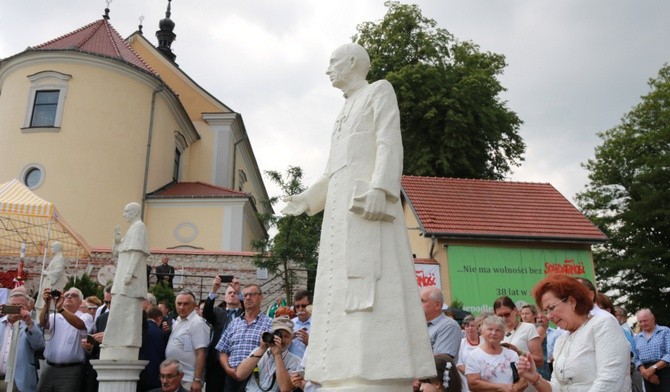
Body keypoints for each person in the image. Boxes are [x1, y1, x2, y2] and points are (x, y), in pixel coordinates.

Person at [280, 43, 435, 388]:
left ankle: (373, 370)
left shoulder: (378, 91)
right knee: (338, 292)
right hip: (337, 219)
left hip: (366, 209)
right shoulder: (343, 111)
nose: (328, 69)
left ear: (352, 62)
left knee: (370, 291)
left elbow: (388, 141)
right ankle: (341, 368)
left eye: (333, 62)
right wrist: (307, 199)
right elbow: (334, 170)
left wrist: (382, 187)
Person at [516, 274, 631, 391]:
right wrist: (535, 378)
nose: (549, 316)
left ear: (572, 301)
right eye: (546, 311)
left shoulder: (603, 324)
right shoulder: (561, 340)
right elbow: (558, 388)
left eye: (551, 308)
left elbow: (609, 380)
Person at [216, 284, 272, 392]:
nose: (248, 298)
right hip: (231, 379)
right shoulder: (234, 323)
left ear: (261, 297)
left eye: (252, 294)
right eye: (245, 295)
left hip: (256, 378)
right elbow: (222, 350)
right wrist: (228, 369)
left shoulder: (269, 324)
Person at [37, 287, 94, 392]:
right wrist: (47, 303)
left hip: (70, 370)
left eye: (74, 295)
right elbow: (43, 324)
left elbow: (80, 325)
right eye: (67, 295)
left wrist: (60, 309)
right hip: (49, 367)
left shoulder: (86, 316)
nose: (69, 297)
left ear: (81, 302)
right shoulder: (55, 316)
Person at [227, 316, 302, 392]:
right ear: (271, 335)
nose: (281, 339)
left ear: (291, 339)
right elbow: (240, 375)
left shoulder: (296, 361)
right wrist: (262, 349)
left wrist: (277, 355)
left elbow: (285, 389)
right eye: (278, 334)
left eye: (286, 336)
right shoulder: (258, 351)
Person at [465, 315, 528, 391]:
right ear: (482, 332)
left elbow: (524, 380)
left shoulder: (512, 354)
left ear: (503, 335)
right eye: (490, 329)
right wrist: (501, 388)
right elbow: (473, 384)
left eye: (498, 330)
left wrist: (514, 389)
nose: (494, 333)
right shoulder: (474, 356)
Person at [0, 289, 44, 392]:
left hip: (18, 381)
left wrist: (28, 322)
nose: (15, 308)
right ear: (6, 306)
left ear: (27, 307)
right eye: (12, 305)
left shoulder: (33, 325)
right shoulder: (0, 323)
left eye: (19, 306)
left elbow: (39, 346)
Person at [202, 278, 242, 392]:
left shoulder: (244, 314)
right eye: (230, 292)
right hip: (216, 363)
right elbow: (206, 313)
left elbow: (247, 306)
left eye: (235, 293)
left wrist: (239, 292)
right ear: (225, 297)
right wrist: (214, 289)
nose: (233, 294)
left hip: (236, 363)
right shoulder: (217, 312)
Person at [165, 290, 209, 392]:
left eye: (186, 304)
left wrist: (197, 380)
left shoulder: (197, 323)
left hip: (189, 378)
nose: (181, 307)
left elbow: (201, 353)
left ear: (194, 306)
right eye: (179, 304)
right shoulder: (178, 321)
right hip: (176, 378)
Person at [493, 296, 543, 369]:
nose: (504, 318)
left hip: (525, 376)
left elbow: (539, 361)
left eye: (507, 314)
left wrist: (519, 353)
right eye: (500, 316)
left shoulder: (528, 328)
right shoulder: (494, 332)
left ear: (515, 310)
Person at [421, 286, 462, 360]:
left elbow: (440, 361)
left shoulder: (449, 326)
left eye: (422, 301)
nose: (418, 304)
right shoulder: (419, 326)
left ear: (437, 305)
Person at [634, 308, 670, 391]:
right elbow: (636, 359)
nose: (643, 324)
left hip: (664, 370)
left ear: (653, 319)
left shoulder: (665, 331)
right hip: (646, 374)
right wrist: (645, 373)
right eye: (640, 321)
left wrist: (653, 368)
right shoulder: (638, 337)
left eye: (645, 320)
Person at [139, 306, 168, 392]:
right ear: (159, 318)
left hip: (140, 373)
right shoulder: (160, 333)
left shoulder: (140, 329)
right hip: (155, 376)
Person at [36, 241, 68, 311]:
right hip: (48, 282)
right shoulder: (56, 258)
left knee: (50, 305)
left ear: (57, 248)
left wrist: (46, 273)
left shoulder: (59, 258)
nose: (51, 248)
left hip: (53, 284)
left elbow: (58, 271)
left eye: (53, 247)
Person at [289, 290, 312, 358]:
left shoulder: (317, 324)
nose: (300, 309)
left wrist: (309, 343)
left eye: (304, 306)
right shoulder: (290, 323)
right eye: (297, 306)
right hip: (290, 365)